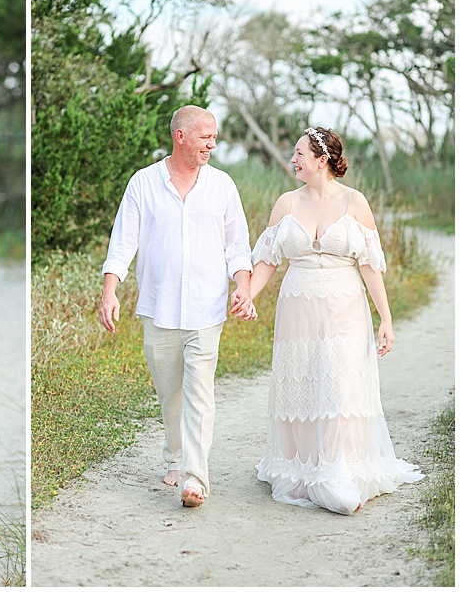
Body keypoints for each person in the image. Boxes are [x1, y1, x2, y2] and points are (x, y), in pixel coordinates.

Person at [248, 126, 424, 515]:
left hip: (346, 306)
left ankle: (337, 470)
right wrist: (247, 295)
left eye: (299, 154)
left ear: (321, 159)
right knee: (303, 382)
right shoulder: (286, 203)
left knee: (340, 384)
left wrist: (386, 319)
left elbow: (370, 267)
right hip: (297, 308)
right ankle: (302, 467)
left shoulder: (355, 203)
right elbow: (267, 261)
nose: (292, 159)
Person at [98, 105, 256, 508]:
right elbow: (123, 243)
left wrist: (243, 287)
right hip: (159, 306)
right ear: (180, 136)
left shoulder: (222, 185)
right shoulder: (143, 183)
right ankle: (175, 455)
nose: (212, 144)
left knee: (200, 391)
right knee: (170, 392)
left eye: (215, 137)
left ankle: (194, 478)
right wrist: (109, 291)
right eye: (206, 136)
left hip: (207, 308)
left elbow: (237, 246)